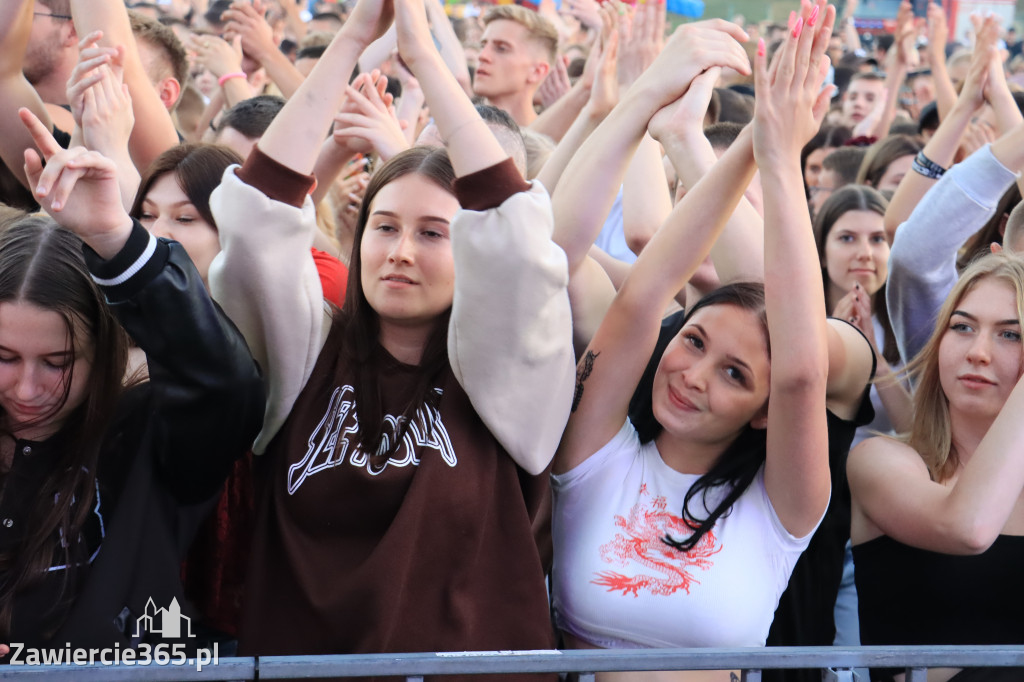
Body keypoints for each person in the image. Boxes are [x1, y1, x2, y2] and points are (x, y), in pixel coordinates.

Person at [208, 0, 574, 663]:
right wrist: (353, 36)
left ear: (474, 251)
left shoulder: (508, 380)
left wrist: (427, 60)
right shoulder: (303, 354)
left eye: (434, 233)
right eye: (385, 226)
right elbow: (255, 216)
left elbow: (521, 242)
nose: (401, 251)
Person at [551, 2, 872, 675]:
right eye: (694, 342)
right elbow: (642, 296)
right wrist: (747, 143)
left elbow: (801, 372)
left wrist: (781, 159)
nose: (693, 374)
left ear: (764, 411)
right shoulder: (597, 460)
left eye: (734, 374)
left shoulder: (781, 508)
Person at [0, 108, 262, 653]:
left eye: (57, 362)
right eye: (3, 358)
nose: (27, 390)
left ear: (104, 349)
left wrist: (118, 237)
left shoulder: (142, 437)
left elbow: (222, 386)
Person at [849, 251, 1024, 682]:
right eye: (962, 327)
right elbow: (968, 526)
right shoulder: (879, 461)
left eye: (1010, 335)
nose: (978, 352)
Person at [473, 4, 556, 126]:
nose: (482, 56)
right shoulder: (446, 131)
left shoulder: (555, 142)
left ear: (537, 71)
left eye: (501, 48)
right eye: (482, 46)